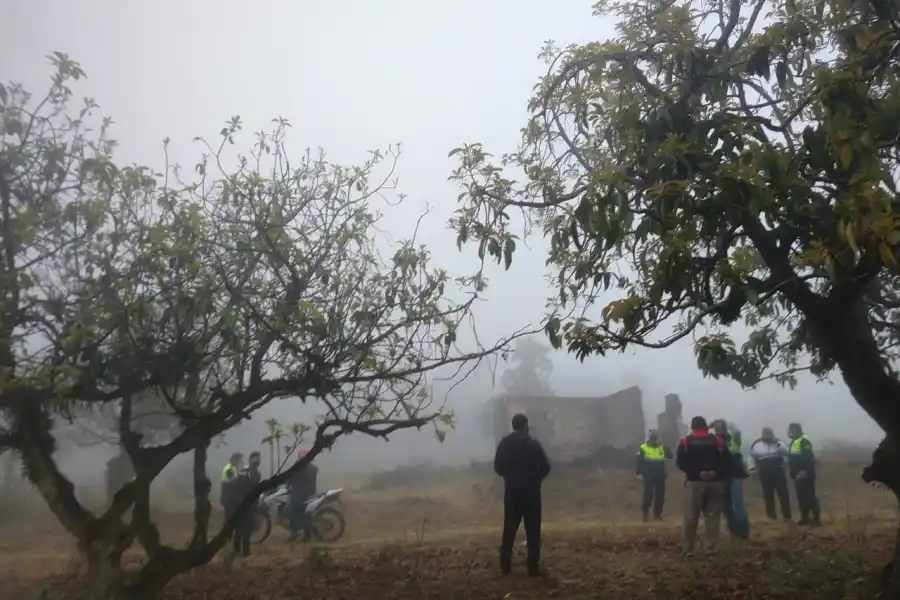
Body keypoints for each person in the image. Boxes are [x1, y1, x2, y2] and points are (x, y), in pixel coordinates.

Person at [494, 413, 551, 577]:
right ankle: (532, 568)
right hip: (531, 494)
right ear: (525, 426)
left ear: (513, 426)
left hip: (512, 493)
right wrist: (536, 479)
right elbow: (546, 467)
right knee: (533, 532)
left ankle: (505, 567)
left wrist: (509, 477)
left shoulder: (504, 444)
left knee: (509, 531)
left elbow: (497, 467)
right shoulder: (533, 443)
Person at [675, 416, 731, 555]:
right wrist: (715, 472)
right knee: (713, 516)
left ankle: (688, 548)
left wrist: (697, 473)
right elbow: (727, 460)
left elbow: (681, 462)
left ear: (692, 427)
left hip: (694, 482)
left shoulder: (685, 442)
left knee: (691, 516)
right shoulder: (718, 441)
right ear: (706, 426)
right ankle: (710, 548)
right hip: (716, 482)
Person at [710, 419, 749, 540]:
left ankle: (743, 529)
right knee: (725, 504)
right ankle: (733, 528)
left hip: (735, 474)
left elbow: (737, 431)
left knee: (737, 502)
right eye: (716, 428)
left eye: (720, 427)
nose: (718, 429)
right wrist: (708, 427)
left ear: (725, 428)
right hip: (721, 476)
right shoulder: (713, 441)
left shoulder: (733, 439)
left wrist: (723, 421)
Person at [748, 427, 792, 521]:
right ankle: (771, 516)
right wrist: (752, 469)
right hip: (764, 472)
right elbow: (751, 457)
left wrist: (779, 446)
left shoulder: (779, 442)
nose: (768, 436)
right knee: (768, 494)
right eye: (766, 434)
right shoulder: (756, 444)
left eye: (769, 434)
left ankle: (787, 515)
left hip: (778, 470)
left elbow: (788, 453)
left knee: (783, 493)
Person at [788, 422, 821, 526]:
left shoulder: (804, 442)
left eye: (791, 430)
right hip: (797, 475)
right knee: (801, 497)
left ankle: (816, 518)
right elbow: (792, 459)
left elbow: (808, 458)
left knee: (809, 496)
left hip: (806, 474)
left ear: (797, 430)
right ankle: (805, 517)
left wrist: (804, 472)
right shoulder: (794, 442)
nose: (789, 432)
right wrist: (794, 473)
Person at [636, 429, 673, 522]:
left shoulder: (662, 447)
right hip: (648, 474)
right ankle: (645, 514)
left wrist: (665, 447)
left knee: (660, 495)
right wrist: (639, 473)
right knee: (648, 495)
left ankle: (657, 514)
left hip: (660, 474)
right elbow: (639, 461)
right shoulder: (643, 447)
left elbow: (670, 456)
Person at [287, 449, 319, 541]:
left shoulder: (298, 467)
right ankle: (307, 535)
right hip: (311, 493)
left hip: (299, 493)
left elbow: (290, 479)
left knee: (291, 511)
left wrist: (287, 484)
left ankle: (296, 531)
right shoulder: (314, 468)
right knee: (306, 514)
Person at [231, 465, 254, 557]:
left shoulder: (235, 481)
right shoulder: (247, 481)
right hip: (246, 509)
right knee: (245, 531)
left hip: (238, 509)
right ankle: (245, 551)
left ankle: (237, 551)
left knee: (238, 531)